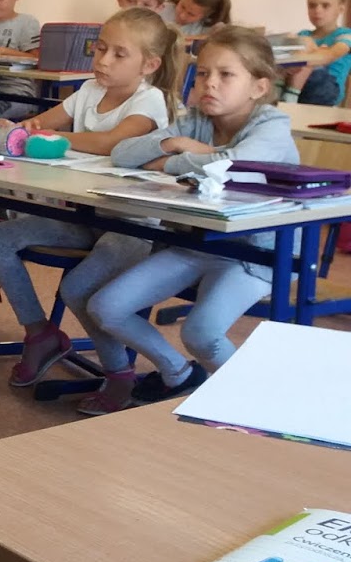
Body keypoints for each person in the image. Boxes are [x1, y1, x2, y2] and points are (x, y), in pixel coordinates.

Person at [82, 27, 297, 414]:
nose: (209, 83)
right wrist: (173, 142)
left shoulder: (272, 127)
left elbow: (231, 166)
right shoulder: (195, 120)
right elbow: (123, 153)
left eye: (226, 75)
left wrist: (172, 161)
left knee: (200, 332)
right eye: (203, 73)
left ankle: (253, 407)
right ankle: (179, 373)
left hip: (257, 253)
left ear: (259, 86)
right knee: (106, 307)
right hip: (198, 243)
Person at [0, 8, 178, 388]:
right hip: (86, 216)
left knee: (76, 288)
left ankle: (119, 374)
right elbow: (41, 123)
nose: (103, 60)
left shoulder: (150, 101)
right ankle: (40, 333)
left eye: (119, 54)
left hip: (132, 226)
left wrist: (52, 137)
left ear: (149, 65)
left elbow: (109, 144)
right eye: (100, 48)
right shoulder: (88, 91)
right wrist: (16, 129)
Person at [281, 0, 351, 105]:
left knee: (304, 44)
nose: (317, 10)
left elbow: (331, 55)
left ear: (340, 9)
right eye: (312, 6)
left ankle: (290, 96)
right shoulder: (304, 34)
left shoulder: (345, 35)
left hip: (327, 89)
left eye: (325, 5)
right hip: (299, 86)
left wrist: (300, 58)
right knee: (290, 40)